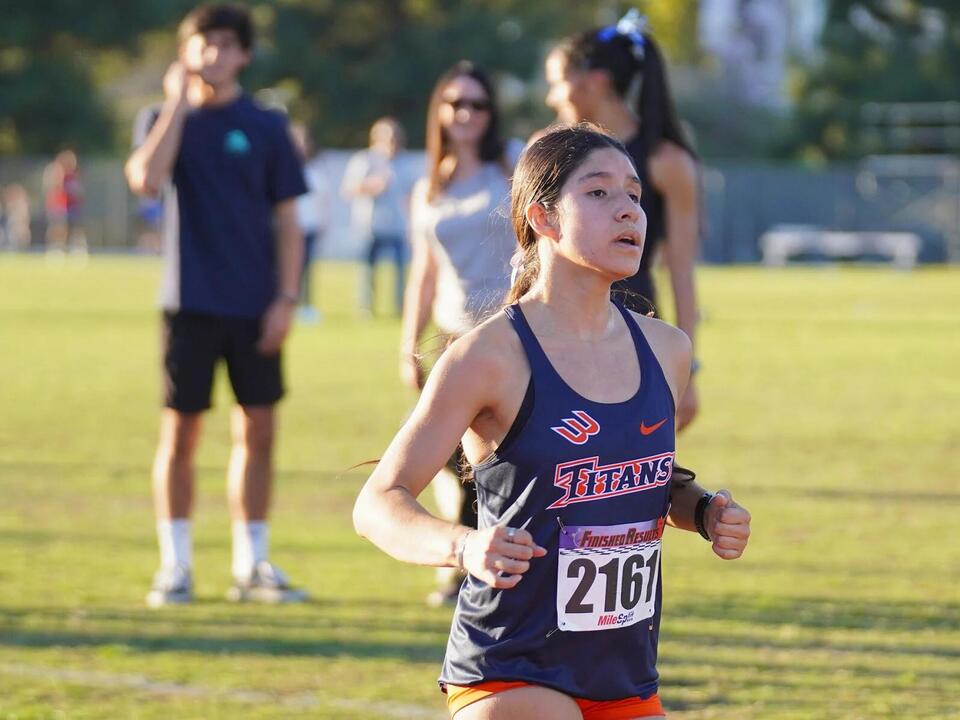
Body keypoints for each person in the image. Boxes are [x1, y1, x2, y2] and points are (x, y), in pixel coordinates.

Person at [354, 124, 751, 719]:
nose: (627, 211)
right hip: (512, 668)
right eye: (598, 194)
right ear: (543, 217)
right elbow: (377, 503)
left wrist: (703, 509)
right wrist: (465, 545)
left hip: (624, 676)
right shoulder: (488, 356)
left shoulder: (667, 350)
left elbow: (634, 477)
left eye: (634, 196)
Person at [125, 3, 309, 607]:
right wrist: (178, 103)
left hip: (257, 304)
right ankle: (174, 566)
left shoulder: (265, 125)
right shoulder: (163, 117)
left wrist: (286, 298)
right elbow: (145, 179)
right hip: (189, 302)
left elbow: (288, 221)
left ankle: (251, 563)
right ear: (187, 51)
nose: (215, 53)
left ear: (244, 55)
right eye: (204, 42)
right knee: (180, 435)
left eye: (227, 44)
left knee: (257, 432)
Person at [545, 11, 701, 432]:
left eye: (558, 81)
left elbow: (681, 271)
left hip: (636, 325)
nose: (551, 97)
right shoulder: (546, 152)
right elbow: (526, 254)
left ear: (594, 82)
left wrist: (690, 372)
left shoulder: (668, 163)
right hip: (554, 325)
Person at [401, 61, 520, 606]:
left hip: (508, 333)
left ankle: (489, 564)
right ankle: (467, 556)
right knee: (452, 458)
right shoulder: (431, 182)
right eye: (454, 103)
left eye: (476, 103)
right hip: (452, 335)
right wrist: (409, 342)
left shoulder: (511, 164)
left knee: (502, 457)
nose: (465, 114)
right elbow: (424, 271)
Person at [341, 117, 414, 316]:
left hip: (397, 225)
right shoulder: (364, 160)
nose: (392, 143)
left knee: (400, 272)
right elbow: (348, 189)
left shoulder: (404, 163)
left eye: (395, 138)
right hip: (369, 225)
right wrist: (370, 186)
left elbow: (410, 196)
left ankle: (400, 307)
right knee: (367, 271)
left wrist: (412, 224)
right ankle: (366, 308)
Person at [290, 121, 330, 323]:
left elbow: (323, 201)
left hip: (309, 227)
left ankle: (306, 306)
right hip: (290, 229)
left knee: (306, 270)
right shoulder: (284, 171)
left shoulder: (315, 171)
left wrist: (323, 223)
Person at [43, 149, 87, 255]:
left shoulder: (73, 176)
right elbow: (51, 188)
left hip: (71, 208)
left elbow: (79, 192)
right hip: (58, 207)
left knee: (75, 229)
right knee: (57, 229)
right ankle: (55, 249)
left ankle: (77, 249)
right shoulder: (55, 171)